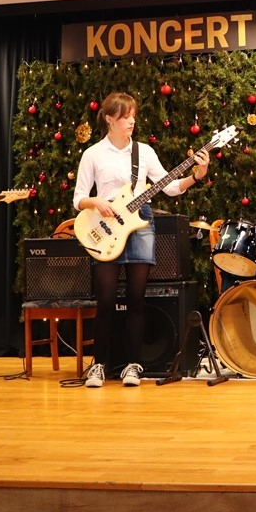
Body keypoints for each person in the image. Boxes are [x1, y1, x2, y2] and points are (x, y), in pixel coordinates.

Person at [73, 92, 209, 388]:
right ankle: (99, 365)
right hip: (105, 224)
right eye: (125, 116)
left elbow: (170, 187)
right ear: (109, 119)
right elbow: (78, 198)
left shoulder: (144, 152)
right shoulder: (93, 154)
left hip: (140, 222)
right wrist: (96, 202)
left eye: (133, 115)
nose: (131, 121)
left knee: (137, 299)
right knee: (106, 299)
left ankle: (133, 366)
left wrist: (197, 175)